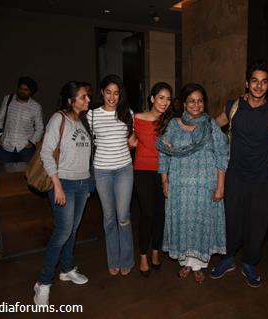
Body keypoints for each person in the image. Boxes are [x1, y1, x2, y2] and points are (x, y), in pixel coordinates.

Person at [210, 60, 268, 288]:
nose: (259, 86)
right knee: (231, 220)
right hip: (234, 176)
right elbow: (212, 127)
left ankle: (250, 263)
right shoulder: (233, 107)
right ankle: (229, 257)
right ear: (247, 83)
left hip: (261, 178)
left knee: (257, 224)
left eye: (263, 82)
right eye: (254, 81)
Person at [156, 83, 229, 284]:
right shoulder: (173, 125)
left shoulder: (210, 125)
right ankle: (186, 263)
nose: (196, 105)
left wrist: (220, 185)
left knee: (200, 224)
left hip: (205, 186)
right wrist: (165, 180)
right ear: (184, 104)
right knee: (184, 223)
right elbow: (164, 153)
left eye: (199, 101)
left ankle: (198, 266)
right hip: (180, 187)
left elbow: (222, 155)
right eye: (191, 101)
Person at [33, 81, 92, 305]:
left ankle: (67, 269)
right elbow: (46, 153)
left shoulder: (83, 121)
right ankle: (43, 282)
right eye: (83, 97)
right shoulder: (59, 118)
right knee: (62, 232)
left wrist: (87, 185)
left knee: (72, 230)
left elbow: (85, 156)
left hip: (81, 183)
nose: (88, 100)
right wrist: (57, 185)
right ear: (70, 100)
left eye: (88, 96)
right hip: (64, 183)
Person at [87, 75, 135, 276]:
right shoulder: (92, 116)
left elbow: (133, 140)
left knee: (123, 217)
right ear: (101, 92)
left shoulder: (127, 113)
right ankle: (113, 259)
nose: (112, 97)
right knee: (109, 217)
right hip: (102, 171)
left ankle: (127, 259)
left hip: (124, 169)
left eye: (116, 93)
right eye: (108, 92)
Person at [130, 82, 173, 278]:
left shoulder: (170, 121)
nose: (165, 102)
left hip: (163, 171)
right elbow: (131, 141)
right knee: (147, 212)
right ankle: (143, 255)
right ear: (152, 98)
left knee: (160, 213)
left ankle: (156, 250)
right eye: (161, 97)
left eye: (168, 98)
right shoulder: (137, 118)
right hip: (142, 170)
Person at [0, 76, 44, 163]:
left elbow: (40, 128)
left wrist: (31, 143)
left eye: (26, 89)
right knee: (6, 175)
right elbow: (0, 119)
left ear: (31, 92)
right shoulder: (8, 99)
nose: (22, 91)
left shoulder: (36, 107)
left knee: (25, 175)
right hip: (6, 147)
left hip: (25, 149)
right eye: (21, 88)